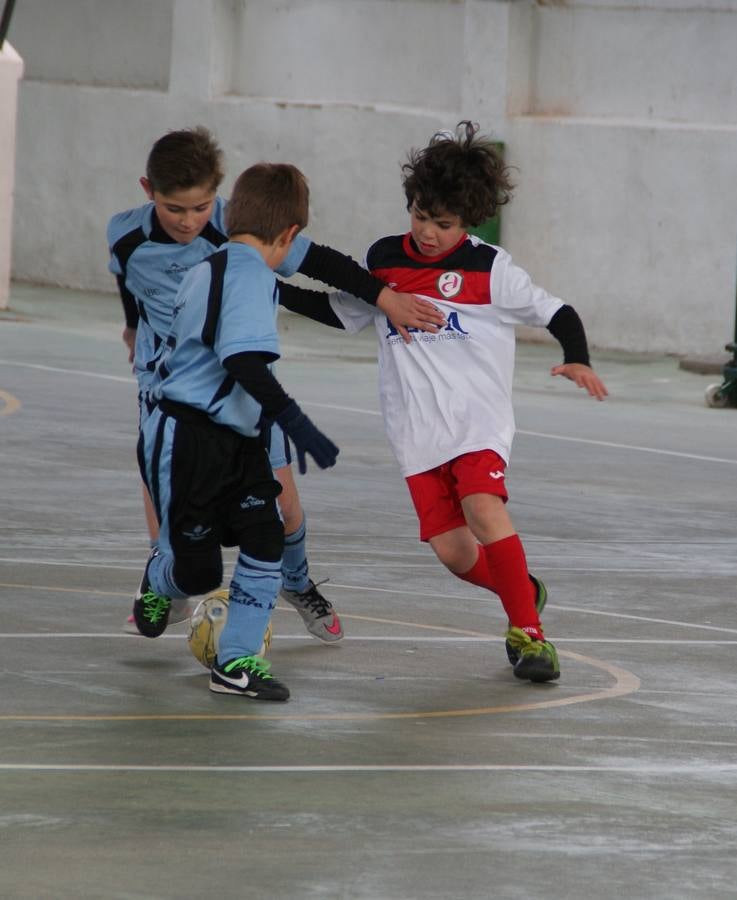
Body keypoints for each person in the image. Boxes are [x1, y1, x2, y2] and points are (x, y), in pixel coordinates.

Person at [279, 121, 608, 684]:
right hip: (416, 432)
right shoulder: (385, 258)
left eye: (444, 224)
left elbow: (557, 312)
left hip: (476, 423)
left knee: (484, 509)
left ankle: (530, 636)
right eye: (420, 216)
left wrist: (577, 356)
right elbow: (342, 311)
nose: (428, 232)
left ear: (469, 220)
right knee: (454, 553)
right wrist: (269, 287)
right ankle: (522, 589)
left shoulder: (492, 269)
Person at [107, 127, 444, 641]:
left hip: (242, 385)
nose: (189, 221)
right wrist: (134, 326)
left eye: (201, 207)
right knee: (168, 488)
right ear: (148, 190)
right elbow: (130, 278)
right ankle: (165, 575)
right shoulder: (125, 234)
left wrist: (384, 298)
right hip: (168, 380)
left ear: (218, 195)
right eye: (175, 209)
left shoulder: (242, 229)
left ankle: (296, 579)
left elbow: (321, 262)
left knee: (283, 504)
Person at [136, 162, 348, 699]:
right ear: (290, 234)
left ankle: (235, 661)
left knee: (265, 537)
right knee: (198, 574)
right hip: (189, 437)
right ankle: (159, 574)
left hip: (237, 435)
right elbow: (243, 360)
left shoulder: (211, 265)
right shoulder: (250, 274)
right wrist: (296, 422)